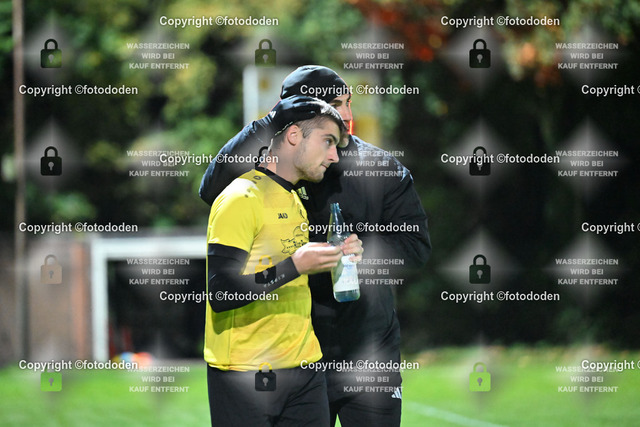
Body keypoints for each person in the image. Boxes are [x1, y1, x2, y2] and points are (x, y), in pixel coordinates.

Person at [201, 66, 431, 427]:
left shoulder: (382, 169)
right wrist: (271, 120)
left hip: (368, 350)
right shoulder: (279, 170)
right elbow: (211, 189)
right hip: (300, 353)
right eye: (336, 106)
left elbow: (415, 246)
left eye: (349, 103)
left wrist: (363, 250)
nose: (348, 115)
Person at [205, 96, 363, 426]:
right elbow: (220, 293)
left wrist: (336, 256)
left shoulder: (294, 199)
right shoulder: (240, 197)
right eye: (327, 141)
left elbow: (294, 273)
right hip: (244, 373)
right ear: (293, 136)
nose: (334, 156)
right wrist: (296, 265)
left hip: (306, 369)